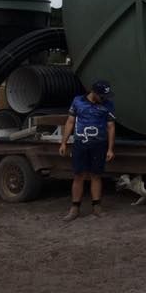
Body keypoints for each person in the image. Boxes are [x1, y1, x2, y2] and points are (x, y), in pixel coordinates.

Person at [59, 80, 116, 221]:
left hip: (99, 145)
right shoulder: (78, 102)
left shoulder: (107, 105)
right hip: (80, 144)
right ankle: (75, 208)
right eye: (102, 95)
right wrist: (64, 143)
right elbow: (70, 122)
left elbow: (111, 127)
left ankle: (97, 207)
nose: (104, 98)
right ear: (94, 92)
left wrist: (110, 149)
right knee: (79, 175)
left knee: (96, 175)